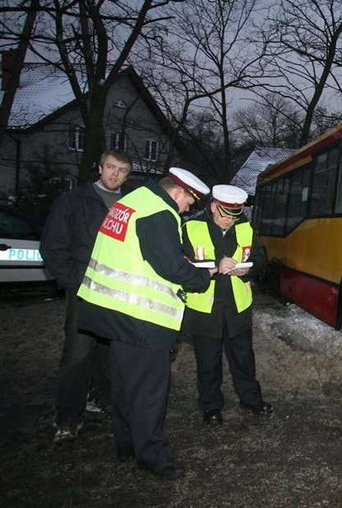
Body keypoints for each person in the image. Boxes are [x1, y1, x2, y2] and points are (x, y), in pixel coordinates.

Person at [76, 167, 214, 480]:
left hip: (114, 310)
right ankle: (153, 455)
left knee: (126, 386)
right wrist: (202, 276)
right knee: (150, 390)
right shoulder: (159, 211)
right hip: (142, 316)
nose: (189, 207)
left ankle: (127, 444)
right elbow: (169, 265)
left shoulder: (132, 201)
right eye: (191, 201)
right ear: (178, 192)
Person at [40, 149, 133, 443]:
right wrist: (73, 282)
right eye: (110, 167)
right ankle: (68, 416)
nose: (115, 174)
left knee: (109, 351)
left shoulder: (130, 206)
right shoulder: (74, 201)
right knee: (78, 353)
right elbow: (53, 246)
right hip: (84, 289)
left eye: (122, 170)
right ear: (99, 167)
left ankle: (101, 398)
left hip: (117, 292)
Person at [181, 184, 272, 425]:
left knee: (244, 360)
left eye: (235, 215)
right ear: (213, 207)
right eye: (225, 215)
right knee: (208, 363)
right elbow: (181, 266)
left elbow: (260, 260)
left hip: (237, 308)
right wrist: (216, 266)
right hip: (204, 309)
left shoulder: (245, 228)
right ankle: (211, 407)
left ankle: (251, 400)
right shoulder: (190, 228)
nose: (230, 221)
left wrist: (246, 271)